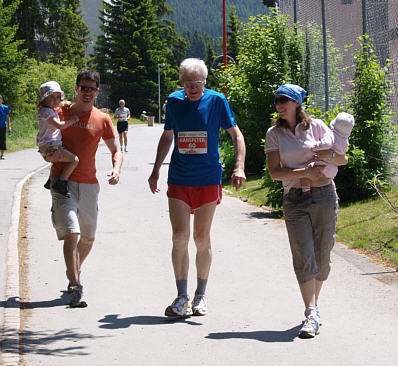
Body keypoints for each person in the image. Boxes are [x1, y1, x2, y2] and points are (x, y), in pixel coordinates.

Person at [148, 58, 246, 317]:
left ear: (205, 82)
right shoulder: (175, 102)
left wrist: (239, 166)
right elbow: (168, 135)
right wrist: (156, 169)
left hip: (207, 178)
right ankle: (181, 297)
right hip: (179, 177)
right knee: (179, 236)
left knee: (201, 238)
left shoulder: (216, 101)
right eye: (189, 83)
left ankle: (201, 295)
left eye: (199, 83)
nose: (194, 88)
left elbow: (236, 135)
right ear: (182, 83)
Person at [264, 84, 348, 338]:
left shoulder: (318, 126)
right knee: (303, 254)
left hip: (324, 194)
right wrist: (304, 173)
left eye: (284, 100)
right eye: (277, 100)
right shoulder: (274, 133)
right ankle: (310, 312)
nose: (279, 105)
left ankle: (315, 306)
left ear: (297, 103)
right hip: (294, 199)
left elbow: (342, 158)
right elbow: (275, 172)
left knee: (322, 254)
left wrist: (329, 154)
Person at [49, 70, 123, 307]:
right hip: (62, 181)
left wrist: (116, 169)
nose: (87, 92)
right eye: (83, 87)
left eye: (92, 88)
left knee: (88, 239)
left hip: (90, 184)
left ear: (97, 91)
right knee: (72, 234)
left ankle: (74, 270)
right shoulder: (60, 113)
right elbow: (44, 137)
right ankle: (75, 286)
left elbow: (116, 150)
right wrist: (47, 154)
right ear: (77, 89)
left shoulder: (102, 119)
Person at [37, 81, 80, 197]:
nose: (55, 101)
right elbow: (59, 125)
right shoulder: (46, 112)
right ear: (44, 99)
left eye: (58, 97)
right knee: (74, 160)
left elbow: (60, 104)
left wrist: (67, 103)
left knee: (60, 159)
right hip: (51, 145)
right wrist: (72, 120)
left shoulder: (48, 110)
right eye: (52, 97)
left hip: (50, 144)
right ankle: (61, 182)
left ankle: (51, 179)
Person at [300, 112, 354, 197]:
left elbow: (326, 144)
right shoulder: (345, 141)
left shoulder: (331, 134)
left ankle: (306, 193)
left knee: (305, 174)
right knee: (329, 180)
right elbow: (344, 153)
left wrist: (314, 147)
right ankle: (335, 195)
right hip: (333, 169)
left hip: (323, 164)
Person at [0, 94, 12, 160]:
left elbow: (8, 118)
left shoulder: (5, 107)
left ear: (2, 100)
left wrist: (9, 126)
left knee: (2, 140)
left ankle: (2, 154)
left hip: (2, 126)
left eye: (0, 99)